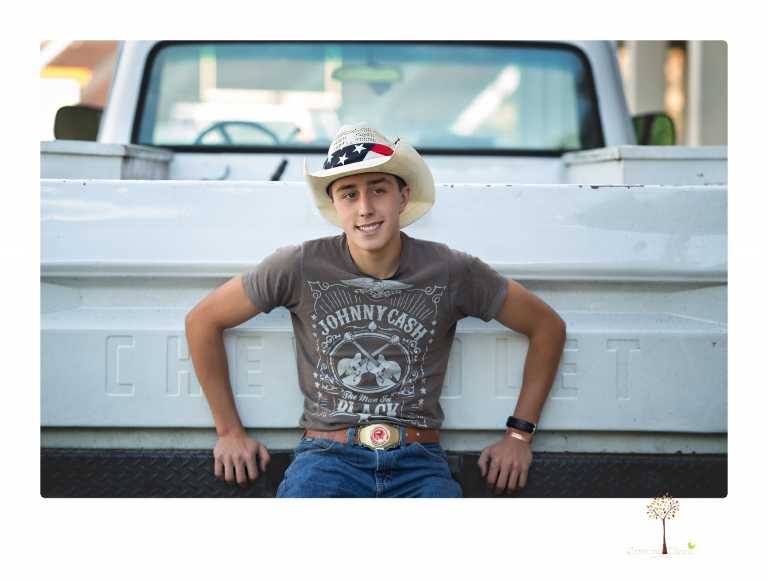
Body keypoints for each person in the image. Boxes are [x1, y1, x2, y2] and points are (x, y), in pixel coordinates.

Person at [185, 122, 566, 497]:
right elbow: (203, 320)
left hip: (419, 461)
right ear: (335, 205)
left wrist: (519, 436)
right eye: (349, 194)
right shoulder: (299, 266)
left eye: (378, 190)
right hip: (326, 457)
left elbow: (547, 326)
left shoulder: (450, 270)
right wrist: (229, 432)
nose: (365, 208)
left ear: (402, 197)